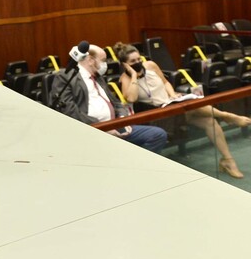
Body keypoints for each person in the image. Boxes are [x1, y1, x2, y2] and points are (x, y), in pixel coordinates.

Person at [115, 42, 251, 178]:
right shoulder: (125, 79)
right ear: (125, 64)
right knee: (190, 107)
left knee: (210, 121)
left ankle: (228, 160)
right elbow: (131, 98)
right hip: (159, 117)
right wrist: (134, 75)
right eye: (133, 61)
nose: (138, 63)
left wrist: (173, 94)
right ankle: (227, 116)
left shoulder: (150, 65)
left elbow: (165, 82)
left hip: (173, 106)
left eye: (139, 59)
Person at [51, 44, 168, 153]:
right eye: (103, 60)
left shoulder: (98, 77)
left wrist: (122, 119)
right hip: (92, 131)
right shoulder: (66, 77)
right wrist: (102, 128)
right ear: (90, 60)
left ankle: (134, 164)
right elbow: (70, 112)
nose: (105, 64)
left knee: (157, 135)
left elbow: (116, 103)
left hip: (115, 126)